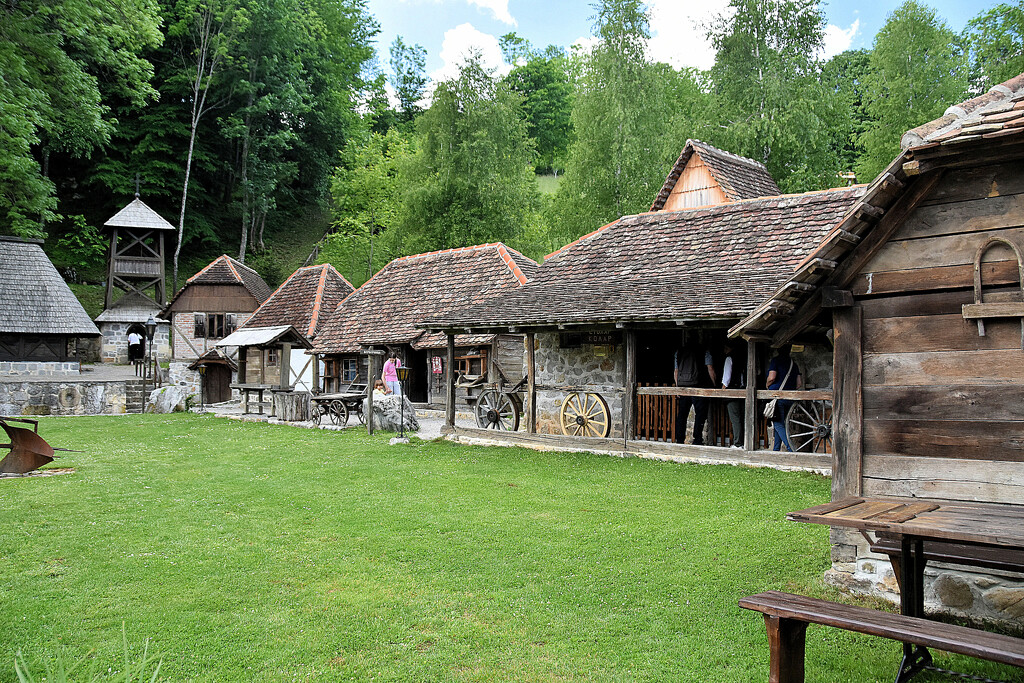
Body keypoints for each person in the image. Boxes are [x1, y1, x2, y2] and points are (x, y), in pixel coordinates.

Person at [674, 340, 715, 445]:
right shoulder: (704, 351)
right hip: (699, 385)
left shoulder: (679, 352)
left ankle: (679, 439)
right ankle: (697, 439)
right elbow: (710, 368)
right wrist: (714, 384)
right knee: (700, 414)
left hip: (683, 386)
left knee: (682, 414)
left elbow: (676, 371)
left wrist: (678, 386)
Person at [766, 345, 802, 451]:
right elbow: (799, 383)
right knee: (781, 423)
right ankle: (776, 449)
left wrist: (767, 385)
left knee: (777, 423)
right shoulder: (793, 364)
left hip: (777, 396)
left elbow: (772, 377)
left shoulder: (775, 361)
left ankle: (790, 448)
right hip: (789, 398)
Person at [721, 341, 745, 449]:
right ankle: (746, 441)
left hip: (733, 392)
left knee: (736, 418)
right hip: (744, 390)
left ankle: (738, 443)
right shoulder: (744, 358)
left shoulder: (729, 359)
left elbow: (726, 378)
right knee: (744, 417)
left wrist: (723, 390)